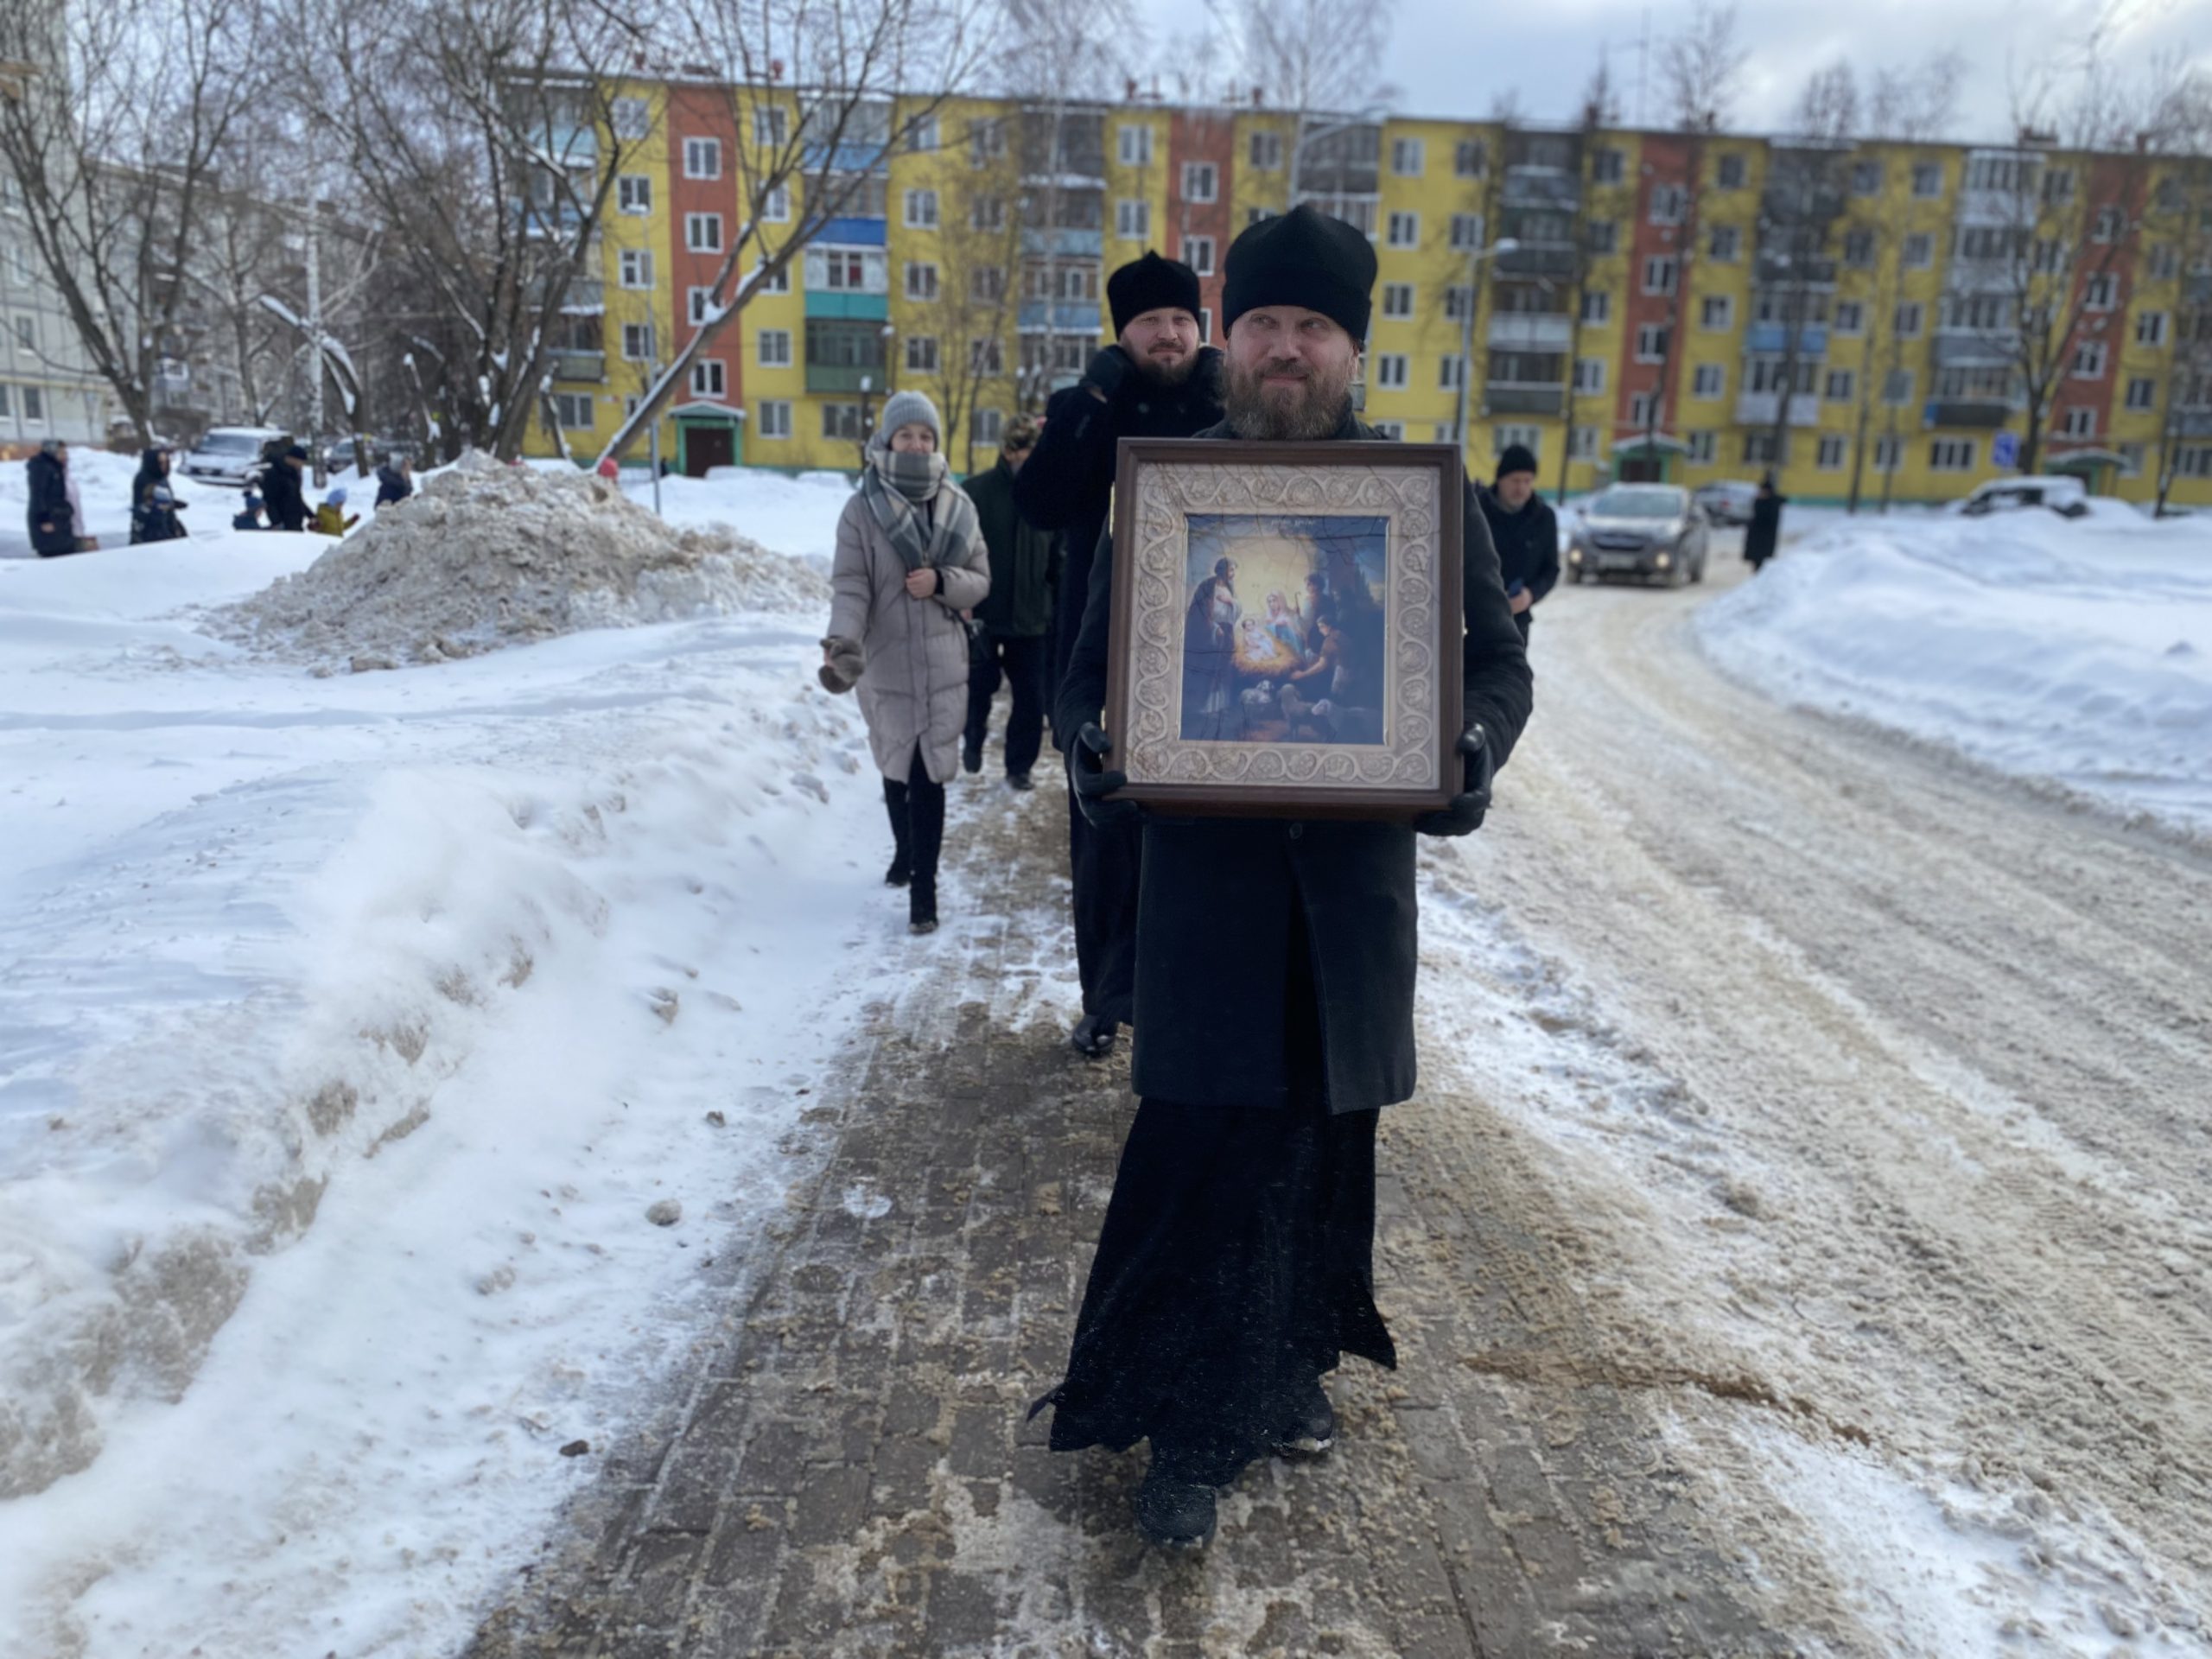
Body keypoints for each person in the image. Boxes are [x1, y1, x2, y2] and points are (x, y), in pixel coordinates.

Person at [1034, 204, 1534, 1550]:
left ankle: (1291, 1363)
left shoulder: (1414, 503)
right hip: (1207, 899)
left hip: (1347, 902)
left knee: (1319, 1140)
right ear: (1232, 339)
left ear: (1351, 349)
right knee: (1202, 1141)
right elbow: (1092, 678)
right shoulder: (1173, 495)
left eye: (1314, 327)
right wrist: (1099, 745)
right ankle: (1191, 1424)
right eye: (1263, 324)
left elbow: (1494, 663)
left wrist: (1465, 745)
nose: (1287, 348)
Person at [1012, 251, 1225, 1060]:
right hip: (1101, 656)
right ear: (1121, 333)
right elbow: (1037, 504)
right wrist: (1092, 396)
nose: (1168, 336)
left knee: (1202, 836)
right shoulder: (1089, 409)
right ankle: (1105, 998)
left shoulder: (1226, 400)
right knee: (1104, 834)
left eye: (1180, 320)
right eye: (1149, 323)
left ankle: (1190, 1000)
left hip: (1209, 654)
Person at [818, 391, 990, 935]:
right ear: (887, 440)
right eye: (906, 434)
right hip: (886, 660)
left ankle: (925, 891)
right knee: (896, 767)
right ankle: (903, 850)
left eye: (925, 436)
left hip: (943, 660)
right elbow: (850, 586)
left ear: (935, 443)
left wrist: (941, 582)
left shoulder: (959, 505)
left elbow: (981, 582)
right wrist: (842, 642)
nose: (916, 444)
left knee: (929, 774)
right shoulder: (861, 509)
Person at [961, 416, 1058, 790]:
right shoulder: (976, 493)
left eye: (1030, 450)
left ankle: (1019, 768)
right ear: (1006, 451)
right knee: (977, 690)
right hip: (983, 615)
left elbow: (1060, 556)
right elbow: (959, 551)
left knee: (1030, 699)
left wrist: (1055, 604)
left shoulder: (1050, 496)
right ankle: (973, 742)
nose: (1023, 457)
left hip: (1032, 620)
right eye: (1017, 449)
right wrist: (963, 602)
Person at [1475, 443, 1560, 643]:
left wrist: (1530, 595)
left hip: (1517, 620)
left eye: (1527, 481)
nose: (1521, 488)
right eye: (1515, 480)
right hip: (1474, 617)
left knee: (1512, 673)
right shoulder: (1476, 511)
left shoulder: (1543, 518)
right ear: (1501, 479)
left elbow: (1551, 569)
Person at [27, 439, 81, 557]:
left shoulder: (56, 468)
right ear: (52, 451)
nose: (65, 456)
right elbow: (38, 494)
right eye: (61, 452)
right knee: (56, 557)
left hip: (59, 520)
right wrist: (44, 518)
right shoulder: (42, 468)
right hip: (50, 522)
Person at [129, 445, 189, 544]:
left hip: (167, 522)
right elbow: (141, 505)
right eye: (161, 463)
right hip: (150, 528)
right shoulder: (143, 479)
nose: (164, 466)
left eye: (166, 462)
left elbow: (164, 499)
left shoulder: (162, 478)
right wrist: (155, 506)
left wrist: (172, 504)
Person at [260, 439, 311, 531]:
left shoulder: (294, 474)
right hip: (282, 524)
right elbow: (269, 500)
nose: (302, 465)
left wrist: (311, 515)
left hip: (295, 522)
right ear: (292, 458)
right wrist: (276, 522)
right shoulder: (274, 474)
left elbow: (297, 498)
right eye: (301, 461)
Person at [1745, 472, 1785, 573]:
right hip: (1757, 538)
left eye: (1763, 491)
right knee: (1756, 563)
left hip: (1764, 539)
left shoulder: (1771, 504)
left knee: (1761, 563)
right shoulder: (1760, 502)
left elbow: (1767, 520)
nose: (1761, 493)